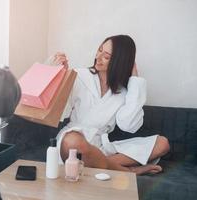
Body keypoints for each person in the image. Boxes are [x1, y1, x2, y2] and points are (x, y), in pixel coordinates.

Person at [52, 35, 170, 175]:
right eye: (99, 50)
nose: (98, 57)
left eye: (106, 56)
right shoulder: (80, 75)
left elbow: (129, 125)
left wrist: (135, 82)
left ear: (119, 62)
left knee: (162, 143)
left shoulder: (124, 92)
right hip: (74, 141)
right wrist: (62, 77)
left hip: (100, 147)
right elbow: (61, 113)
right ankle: (128, 171)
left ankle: (97, 162)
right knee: (72, 141)